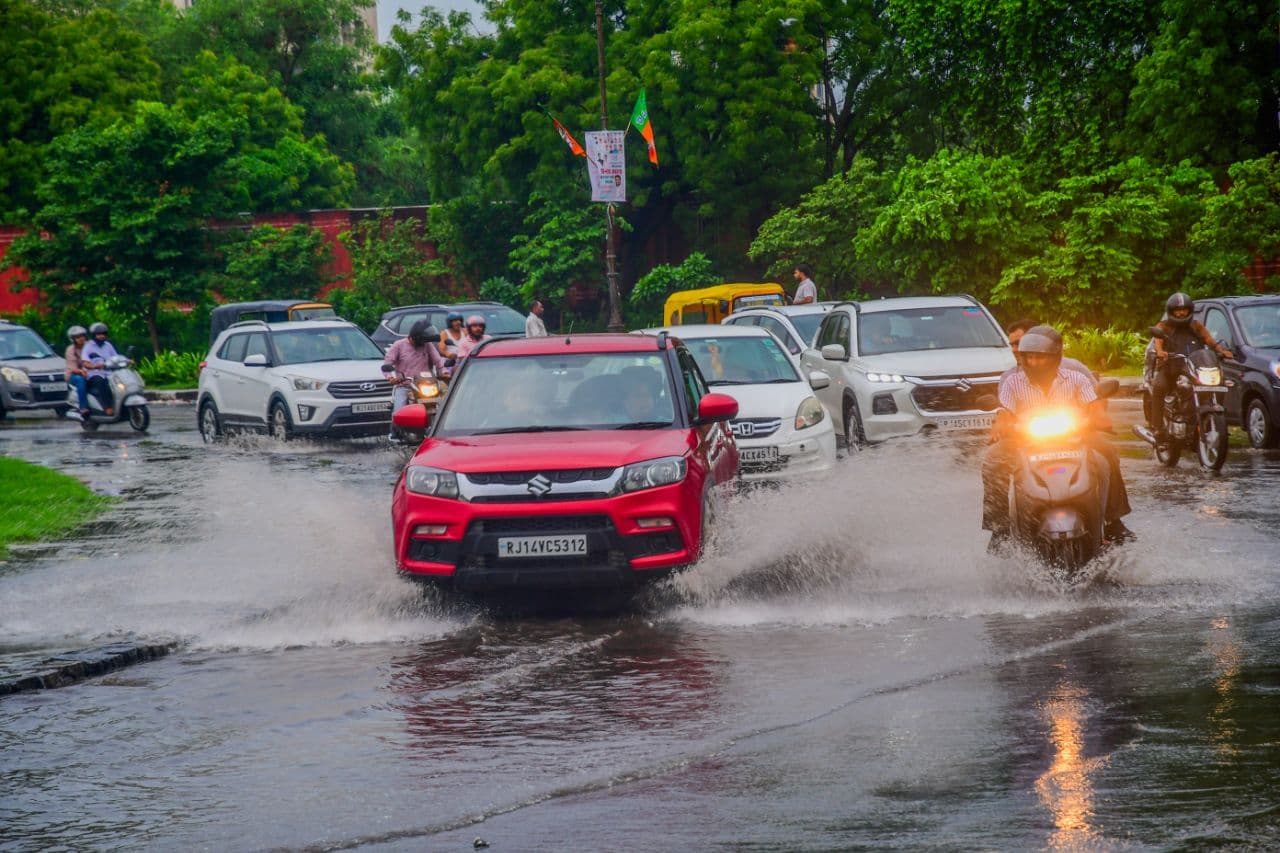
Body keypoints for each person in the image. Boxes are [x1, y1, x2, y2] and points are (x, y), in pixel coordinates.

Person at [982, 325, 1132, 549]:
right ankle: (1000, 529)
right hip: (1025, 440)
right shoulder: (1012, 381)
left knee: (1107, 453)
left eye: (1039, 358)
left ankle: (1112, 520)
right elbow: (1004, 413)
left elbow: (1095, 408)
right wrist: (1001, 427)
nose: (1033, 363)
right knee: (993, 459)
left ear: (1054, 357)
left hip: (1075, 436)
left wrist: (1099, 420)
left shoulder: (1075, 378)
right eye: (1028, 358)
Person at [1148, 292, 1233, 438]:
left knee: (1219, 383)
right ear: (1171, 311)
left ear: (1190, 310)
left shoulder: (1195, 325)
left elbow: (1209, 339)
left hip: (1194, 367)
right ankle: (1157, 427)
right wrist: (1160, 351)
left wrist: (1221, 351)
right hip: (1171, 368)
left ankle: (1209, 422)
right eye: (1177, 310)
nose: (1181, 313)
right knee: (1159, 387)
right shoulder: (1164, 325)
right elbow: (1158, 340)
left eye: (1184, 309)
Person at [383, 320, 445, 441]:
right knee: (399, 409)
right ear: (416, 337)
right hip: (406, 385)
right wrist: (391, 377)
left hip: (426, 385)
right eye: (423, 340)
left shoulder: (427, 345)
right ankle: (395, 433)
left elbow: (438, 361)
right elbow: (388, 363)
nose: (424, 343)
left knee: (446, 403)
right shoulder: (399, 345)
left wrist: (445, 371)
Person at [1003, 319, 1095, 385]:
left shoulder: (1074, 367)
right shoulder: (1008, 378)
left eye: (1019, 343)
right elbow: (1004, 409)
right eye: (1012, 345)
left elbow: (1098, 398)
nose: (1014, 350)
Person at [82, 322, 123, 415]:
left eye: (103, 334)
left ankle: (119, 405)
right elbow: (85, 362)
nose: (101, 336)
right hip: (94, 374)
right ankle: (107, 407)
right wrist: (94, 366)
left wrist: (127, 360)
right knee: (101, 382)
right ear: (93, 335)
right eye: (99, 334)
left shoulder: (108, 345)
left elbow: (115, 357)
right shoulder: (88, 346)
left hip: (108, 373)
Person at [64, 325, 90, 415]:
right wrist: (82, 371)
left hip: (90, 371)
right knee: (80, 380)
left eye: (82, 336)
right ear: (73, 339)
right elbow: (72, 368)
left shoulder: (90, 346)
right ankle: (83, 407)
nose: (81, 339)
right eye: (77, 337)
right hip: (74, 375)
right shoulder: (70, 350)